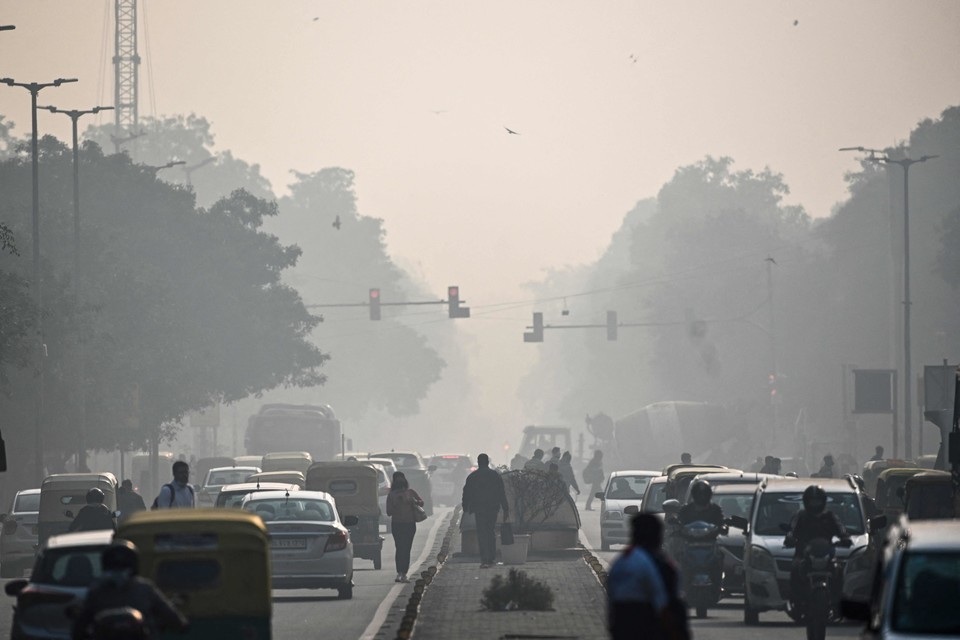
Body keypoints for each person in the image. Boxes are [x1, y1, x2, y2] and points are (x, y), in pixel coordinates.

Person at [71, 540, 188, 640]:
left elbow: (79, 627)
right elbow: (172, 617)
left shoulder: (96, 591)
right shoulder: (145, 588)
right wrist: (180, 625)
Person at [607, 514, 672, 640]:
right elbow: (663, 602)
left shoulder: (620, 562)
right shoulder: (657, 564)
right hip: (645, 622)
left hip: (621, 622)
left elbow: (611, 594)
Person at [784, 485, 849, 605]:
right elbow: (791, 530)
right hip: (804, 554)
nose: (815, 504)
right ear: (806, 502)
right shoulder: (800, 516)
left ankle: (837, 598)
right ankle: (796, 600)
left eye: (817, 501)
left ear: (823, 501)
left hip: (826, 555)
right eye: (812, 501)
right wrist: (790, 539)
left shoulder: (830, 516)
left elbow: (841, 529)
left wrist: (845, 538)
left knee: (838, 570)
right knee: (795, 568)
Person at [462, 453, 509, 569]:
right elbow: (501, 492)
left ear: (478, 462)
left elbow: (466, 493)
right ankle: (492, 557)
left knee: (482, 532)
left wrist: (465, 507)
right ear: (488, 462)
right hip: (492, 508)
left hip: (479, 508)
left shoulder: (473, 477)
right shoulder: (495, 475)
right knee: (490, 531)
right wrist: (505, 508)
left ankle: (484, 559)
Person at [386, 471, 424, 583]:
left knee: (406, 548)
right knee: (400, 548)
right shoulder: (392, 496)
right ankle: (400, 572)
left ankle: (404, 573)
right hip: (398, 525)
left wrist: (414, 501)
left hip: (409, 524)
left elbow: (421, 503)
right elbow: (389, 512)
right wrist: (397, 504)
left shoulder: (410, 493)